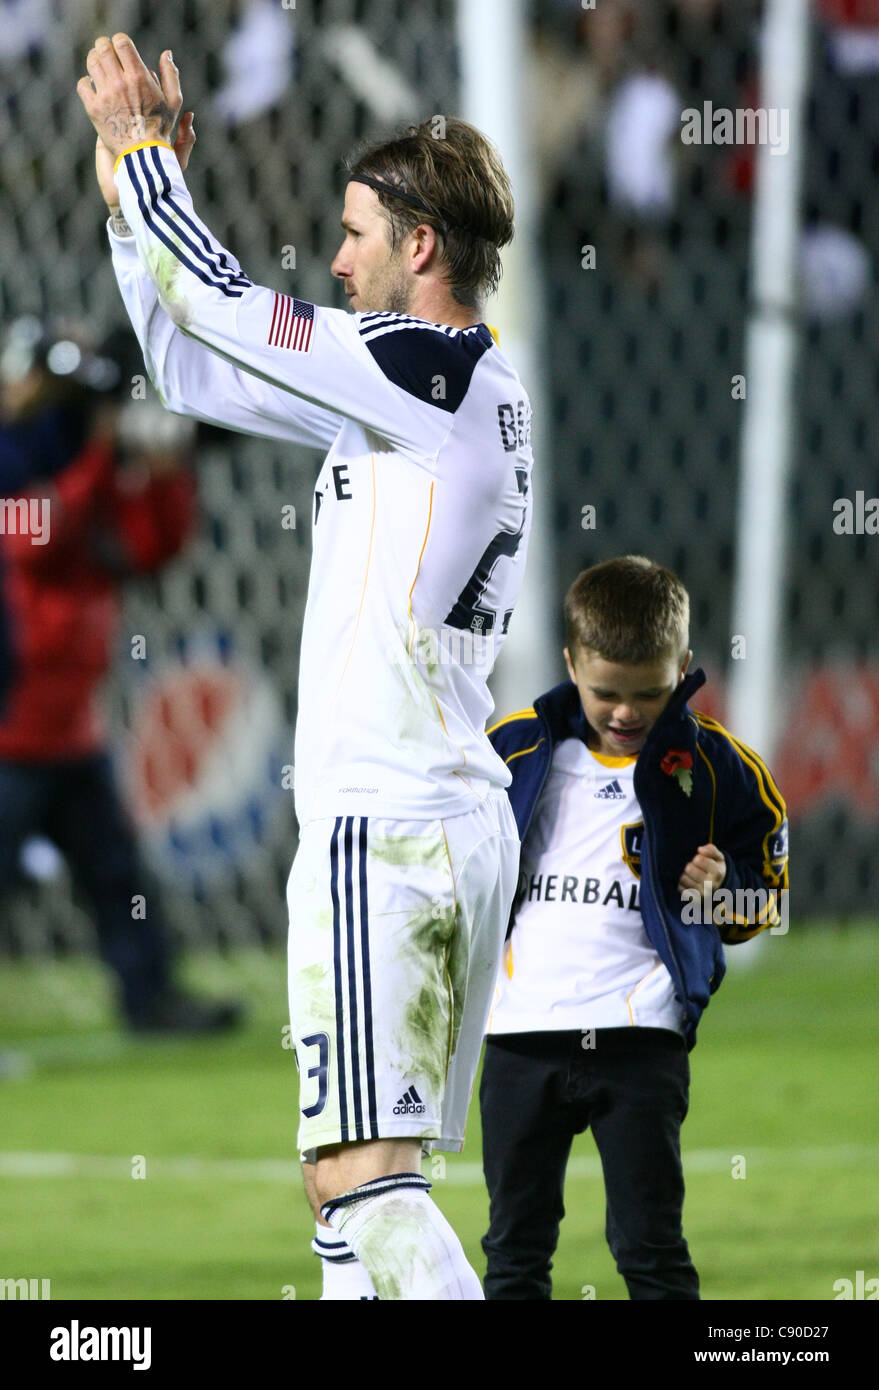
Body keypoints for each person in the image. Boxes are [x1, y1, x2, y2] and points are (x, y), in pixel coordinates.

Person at [77, 33, 530, 1300]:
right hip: (441, 819)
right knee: (350, 1191)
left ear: (420, 248)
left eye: (354, 234)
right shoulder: (419, 392)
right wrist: (133, 215)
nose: (335, 262)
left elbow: (223, 298)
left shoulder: (421, 370)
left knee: (363, 1183)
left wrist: (147, 158)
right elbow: (188, 360)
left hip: (384, 826)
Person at [480, 555, 789, 1299]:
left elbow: (766, 907)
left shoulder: (718, 768)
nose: (624, 713)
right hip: (520, 1035)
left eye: (648, 694)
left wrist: (720, 896)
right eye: (604, 693)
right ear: (570, 665)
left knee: (648, 1248)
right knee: (514, 1250)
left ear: (681, 669)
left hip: (638, 1041)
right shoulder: (512, 750)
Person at [0, 316, 242, 1034]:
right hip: (10, 723)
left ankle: (152, 997)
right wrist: (99, 455)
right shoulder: (24, 461)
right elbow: (31, 537)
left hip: (70, 722)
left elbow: (148, 550)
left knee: (116, 876)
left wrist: (165, 477)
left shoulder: (81, 462)